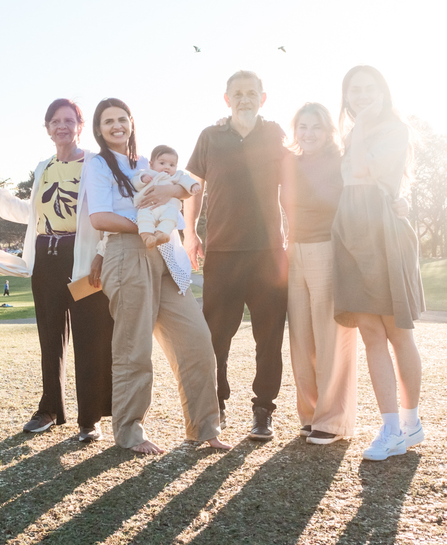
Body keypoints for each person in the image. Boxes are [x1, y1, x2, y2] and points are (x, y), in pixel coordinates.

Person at [86, 98, 229, 454]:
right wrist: (145, 225)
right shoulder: (98, 164)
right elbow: (100, 217)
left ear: (131, 122)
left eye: (122, 119)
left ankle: (204, 428)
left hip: (166, 254)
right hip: (127, 252)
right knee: (134, 348)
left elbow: (185, 186)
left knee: (196, 340)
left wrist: (170, 194)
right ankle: (130, 433)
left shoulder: (146, 163)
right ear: (99, 129)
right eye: (108, 121)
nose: (116, 126)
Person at [0, 98, 114, 442]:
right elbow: (31, 212)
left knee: (90, 338)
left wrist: (102, 253)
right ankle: (49, 410)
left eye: (69, 120)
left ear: (80, 126)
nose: (62, 126)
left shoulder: (96, 163)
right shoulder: (43, 167)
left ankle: (90, 419)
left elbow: (109, 210)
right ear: (47, 128)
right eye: (55, 121)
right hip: (45, 258)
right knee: (50, 339)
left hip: (82, 258)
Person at [184, 70, 289, 441]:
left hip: (268, 253)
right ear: (227, 99)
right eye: (238, 93)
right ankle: (217, 405)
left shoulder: (275, 135)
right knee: (215, 337)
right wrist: (190, 232)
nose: (245, 99)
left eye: (251, 93)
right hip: (223, 252)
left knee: (269, 337)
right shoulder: (210, 136)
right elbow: (193, 188)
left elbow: (294, 186)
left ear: (263, 98)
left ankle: (263, 410)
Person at [328, 66, 425, 461]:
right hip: (351, 229)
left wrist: (363, 125)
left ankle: (411, 423)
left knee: (397, 331)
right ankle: (390, 428)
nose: (362, 95)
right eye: (355, 90)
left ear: (383, 93)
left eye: (370, 89)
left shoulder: (393, 130)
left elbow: (365, 172)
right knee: (370, 332)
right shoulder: (350, 134)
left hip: (382, 229)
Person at [279, 102, 357, 445]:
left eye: (316, 127)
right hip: (294, 251)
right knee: (301, 338)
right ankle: (311, 415)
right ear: (295, 131)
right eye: (303, 127)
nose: (309, 134)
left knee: (331, 337)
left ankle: (333, 421)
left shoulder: (340, 160)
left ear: (328, 132)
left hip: (328, 248)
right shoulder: (289, 163)